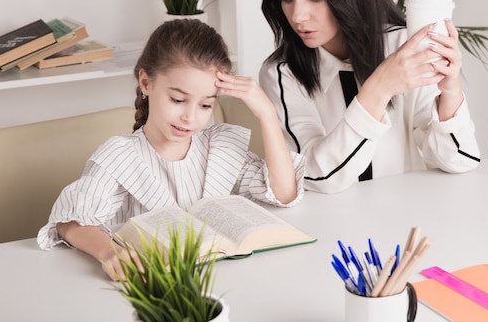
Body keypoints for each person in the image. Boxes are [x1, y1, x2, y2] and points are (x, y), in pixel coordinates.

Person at [37, 18, 305, 280]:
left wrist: (267, 115)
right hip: (148, 286)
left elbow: (284, 192)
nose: (190, 117)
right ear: (146, 83)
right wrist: (110, 253)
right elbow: (69, 221)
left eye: (205, 105)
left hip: (217, 281)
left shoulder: (219, 147)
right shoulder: (121, 156)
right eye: (178, 99)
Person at [258, 0, 480, 194]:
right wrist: (380, 86)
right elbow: (315, 175)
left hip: (410, 224)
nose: (298, 16)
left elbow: (460, 160)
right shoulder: (282, 74)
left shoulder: (405, 46)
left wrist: (450, 90)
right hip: (332, 228)